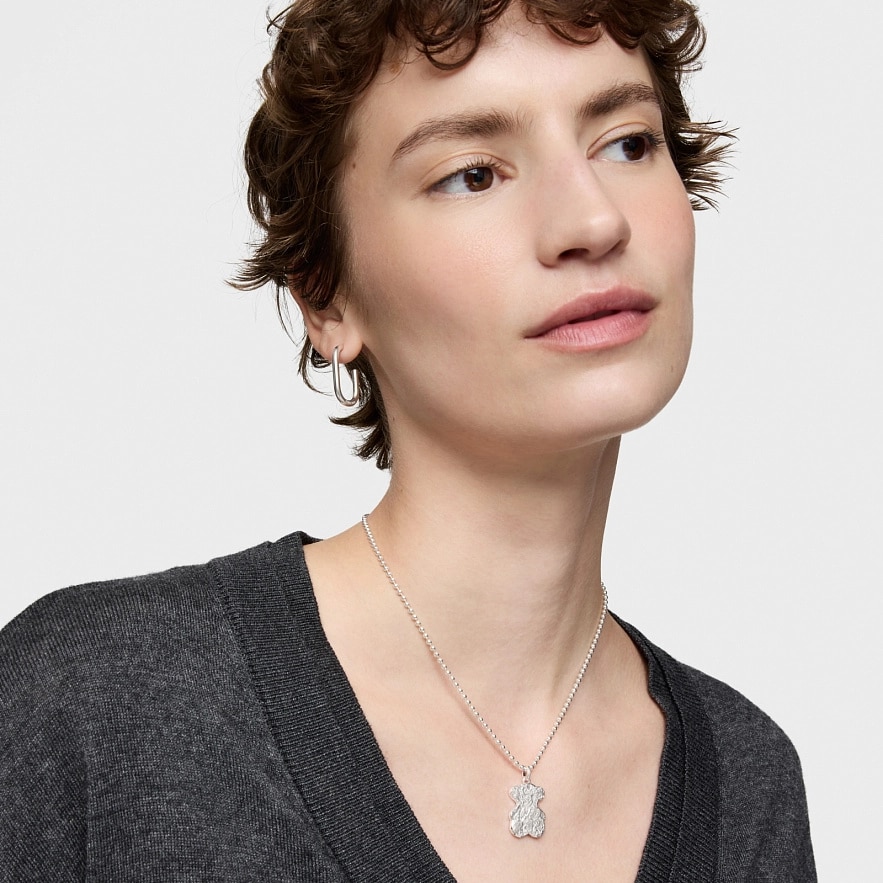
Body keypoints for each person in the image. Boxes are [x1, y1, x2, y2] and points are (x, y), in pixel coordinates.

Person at [0, 0, 815, 880]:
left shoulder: (746, 780)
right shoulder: (99, 699)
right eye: (473, 174)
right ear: (326, 298)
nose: (592, 222)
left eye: (625, 143)